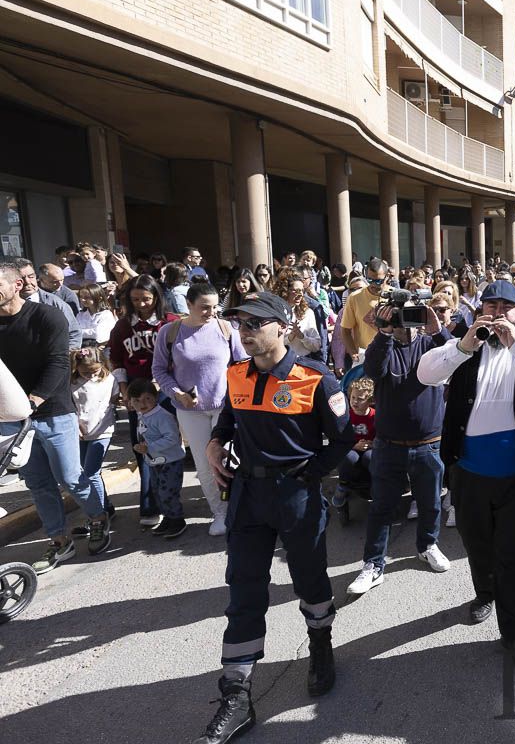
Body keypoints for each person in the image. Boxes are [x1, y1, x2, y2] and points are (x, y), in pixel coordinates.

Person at [197, 291, 354, 744]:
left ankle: (320, 646)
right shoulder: (236, 373)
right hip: (248, 495)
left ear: (281, 328)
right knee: (244, 587)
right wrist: (213, 442)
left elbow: (343, 441)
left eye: (255, 324)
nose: (245, 332)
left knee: (309, 580)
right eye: (240, 324)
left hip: (296, 496)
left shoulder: (315, 378)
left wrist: (311, 476)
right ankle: (237, 692)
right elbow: (228, 420)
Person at [417, 280, 515, 673]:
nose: (499, 312)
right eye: (491, 304)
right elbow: (426, 373)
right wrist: (464, 344)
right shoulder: (464, 346)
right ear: (478, 307)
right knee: (477, 542)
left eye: (508, 306)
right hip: (469, 472)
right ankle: (485, 592)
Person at [0, 261, 111, 572]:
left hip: (52, 411)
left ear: (16, 286)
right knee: (37, 482)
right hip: (12, 418)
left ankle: (98, 518)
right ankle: (60, 541)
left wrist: (33, 401)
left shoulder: (47, 316)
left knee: (71, 477)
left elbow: (58, 364)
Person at [346, 298, 454, 597]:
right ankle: (373, 565)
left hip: (429, 443)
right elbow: (373, 369)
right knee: (381, 507)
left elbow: (456, 359)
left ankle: (428, 545)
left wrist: (439, 330)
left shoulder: (431, 344)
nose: (405, 321)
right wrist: (384, 332)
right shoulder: (383, 345)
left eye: (410, 313)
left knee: (431, 502)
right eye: (399, 314)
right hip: (389, 444)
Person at [151, 283, 245, 536]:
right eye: (205, 307)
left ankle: (237, 508)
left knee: (228, 459)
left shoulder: (227, 329)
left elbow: (242, 365)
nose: (211, 312)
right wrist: (177, 393)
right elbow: (159, 369)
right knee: (204, 465)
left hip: (225, 408)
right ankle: (220, 513)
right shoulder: (170, 333)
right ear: (189, 305)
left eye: (215, 307)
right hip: (189, 411)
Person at [110, 274, 178, 526]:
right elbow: (116, 359)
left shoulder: (170, 323)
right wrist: (125, 389)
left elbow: (180, 356)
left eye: (146, 299)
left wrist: (164, 382)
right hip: (137, 396)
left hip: (166, 392)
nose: (141, 304)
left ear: (156, 297)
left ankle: (172, 501)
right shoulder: (122, 326)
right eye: (135, 299)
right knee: (144, 449)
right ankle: (150, 505)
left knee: (170, 447)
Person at [128, 378, 188, 538]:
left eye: (147, 398)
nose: (142, 403)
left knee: (168, 491)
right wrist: (141, 447)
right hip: (154, 461)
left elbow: (172, 437)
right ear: (130, 403)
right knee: (157, 491)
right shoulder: (143, 415)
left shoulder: (161, 415)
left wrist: (149, 448)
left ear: (155, 397)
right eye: (137, 400)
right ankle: (168, 517)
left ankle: (177, 520)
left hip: (171, 460)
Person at [71, 348, 119, 522]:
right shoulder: (72, 382)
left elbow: (114, 400)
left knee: (92, 473)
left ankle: (100, 512)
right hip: (81, 432)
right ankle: (106, 507)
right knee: (85, 472)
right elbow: (70, 407)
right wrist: (75, 426)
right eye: (85, 372)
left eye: (94, 371)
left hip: (102, 431)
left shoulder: (109, 380)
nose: (90, 375)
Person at [14, 258, 81, 349]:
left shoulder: (56, 303)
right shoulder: (5, 306)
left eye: (31, 276)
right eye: (21, 278)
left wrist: (66, 357)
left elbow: (74, 332)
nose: (27, 282)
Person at [332, 378, 375, 516]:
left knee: (371, 457)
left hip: (370, 449)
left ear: (370, 400)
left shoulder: (375, 416)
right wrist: (354, 445)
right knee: (349, 457)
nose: (355, 401)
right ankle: (343, 485)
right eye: (353, 397)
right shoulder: (346, 416)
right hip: (351, 447)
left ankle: (377, 486)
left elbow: (382, 436)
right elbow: (339, 437)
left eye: (360, 399)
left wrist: (373, 444)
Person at [75, 283, 116, 350]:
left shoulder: (106, 314)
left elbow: (99, 335)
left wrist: (80, 332)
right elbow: (73, 332)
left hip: (102, 349)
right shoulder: (80, 315)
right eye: (81, 297)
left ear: (99, 298)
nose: (82, 300)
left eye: (87, 297)